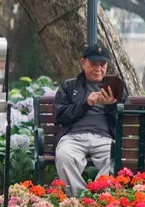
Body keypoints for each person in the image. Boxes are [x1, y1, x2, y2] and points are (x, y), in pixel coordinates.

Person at [53, 45, 126, 197]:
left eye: (102, 64)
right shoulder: (69, 86)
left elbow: (126, 121)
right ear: (83, 62)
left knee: (116, 157)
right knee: (63, 155)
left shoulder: (115, 87)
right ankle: (80, 197)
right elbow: (60, 115)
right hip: (73, 137)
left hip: (104, 138)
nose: (98, 68)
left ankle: (98, 195)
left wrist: (112, 106)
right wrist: (86, 104)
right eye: (93, 64)